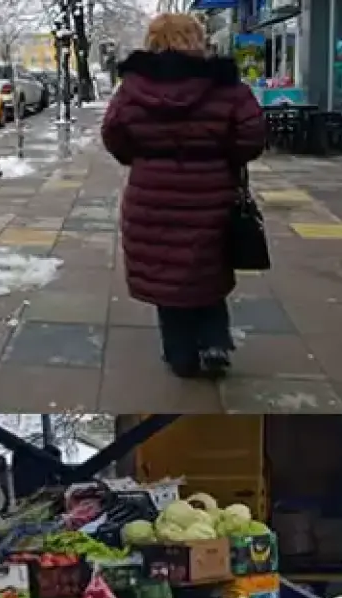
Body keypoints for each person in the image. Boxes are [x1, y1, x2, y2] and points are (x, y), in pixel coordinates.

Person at [102, 14, 267, 380]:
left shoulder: (133, 86)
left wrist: (142, 158)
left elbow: (114, 134)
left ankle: (180, 357)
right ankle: (214, 342)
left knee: (166, 273)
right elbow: (252, 136)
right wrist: (224, 157)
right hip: (211, 190)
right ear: (196, 39)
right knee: (207, 267)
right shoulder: (225, 85)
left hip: (151, 194)